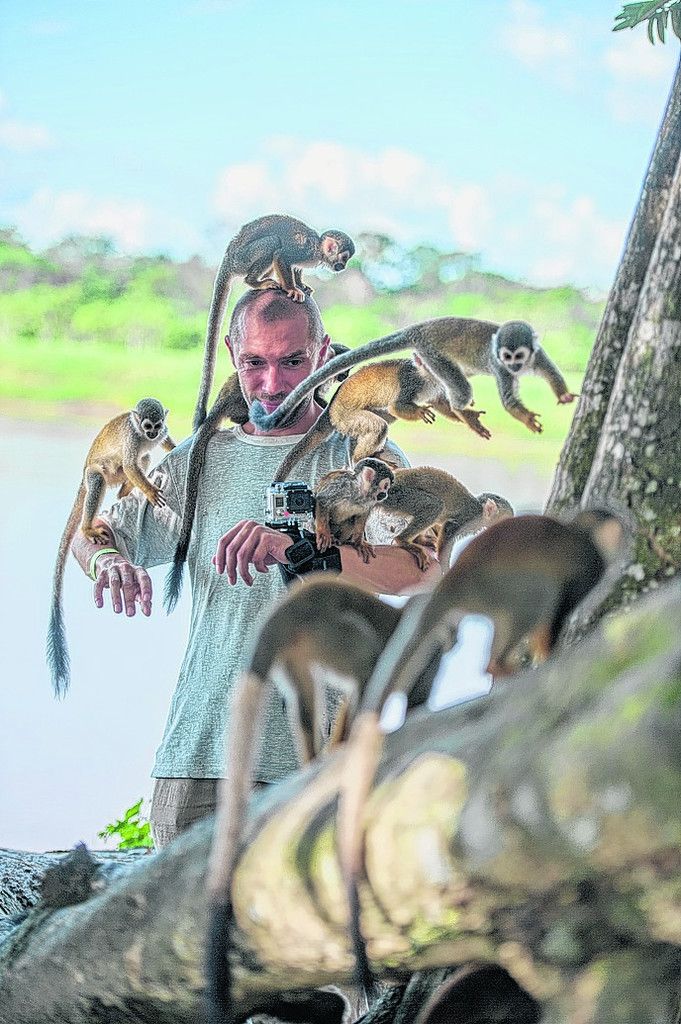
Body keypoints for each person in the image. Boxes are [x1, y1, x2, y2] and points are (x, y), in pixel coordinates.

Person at [71, 288, 441, 848]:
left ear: (322, 356)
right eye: (255, 363)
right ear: (232, 355)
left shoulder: (363, 458)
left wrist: (302, 551)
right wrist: (106, 563)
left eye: (292, 361)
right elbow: (91, 537)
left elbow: (425, 571)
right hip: (196, 758)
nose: (273, 384)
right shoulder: (198, 460)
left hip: (314, 758)